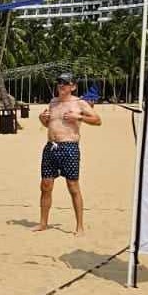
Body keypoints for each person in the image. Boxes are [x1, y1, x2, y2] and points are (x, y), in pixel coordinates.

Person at [36, 71, 101, 235]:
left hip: (69, 148)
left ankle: (79, 227)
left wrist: (78, 117)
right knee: (45, 186)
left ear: (73, 86)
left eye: (65, 83)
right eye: (59, 82)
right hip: (51, 147)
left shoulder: (79, 103)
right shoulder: (53, 102)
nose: (61, 85)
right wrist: (42, 119)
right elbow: (50, 124)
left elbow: (97, 120)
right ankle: (43, 223)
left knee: (73, 187)